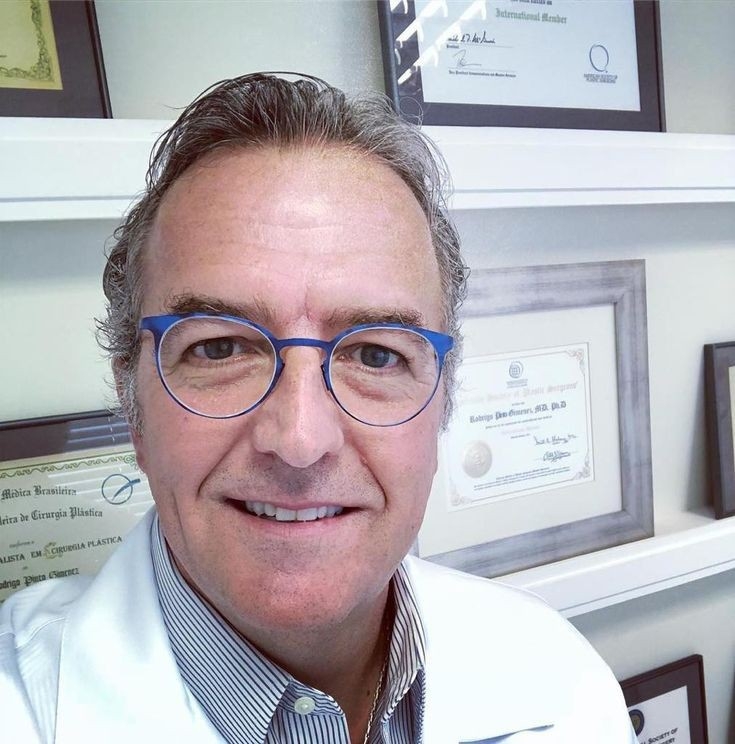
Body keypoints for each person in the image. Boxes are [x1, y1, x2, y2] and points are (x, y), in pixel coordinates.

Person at [0, 73, 635, 743]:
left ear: (443, 399)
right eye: (219, 348)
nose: (300, 439)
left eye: (376, 355)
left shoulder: (562, 682)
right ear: (134, 407)